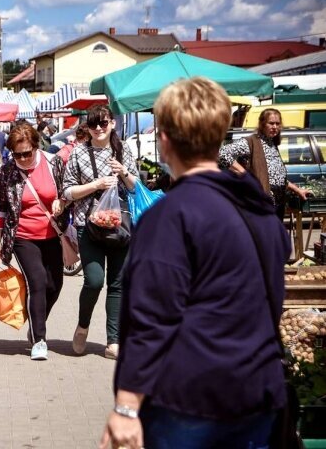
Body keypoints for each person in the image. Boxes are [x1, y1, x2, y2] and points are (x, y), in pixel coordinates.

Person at [100, 77, 289, 449]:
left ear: (165, 139)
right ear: (221, 134)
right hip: (260, 395)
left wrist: (126, 407)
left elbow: (150, 317)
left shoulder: (169, 217)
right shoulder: (261, 211)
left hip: (191, 403)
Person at [63, 105, 138, 360]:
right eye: (93, 124)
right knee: (94, 280)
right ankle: (83, 326)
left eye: (103, 123)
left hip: (120, 225)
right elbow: (67, 192)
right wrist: (95, 185)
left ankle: (113, 341)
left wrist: (124, 172)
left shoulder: (124, 149)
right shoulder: (78, 153)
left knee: (117, 284)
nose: (98, 128)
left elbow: (136, 186)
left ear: (112, 124)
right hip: (88, 225)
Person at [0, 122, 69, 361]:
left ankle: (36, 322)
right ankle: (39, 340)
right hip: (23, 236)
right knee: (36, 282)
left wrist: (62, 202)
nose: (23, 158)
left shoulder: (53, 163)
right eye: (17, 154)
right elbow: (1, 209)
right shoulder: (7, 171)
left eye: (27, 153)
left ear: (36, 146)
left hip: (53, 233)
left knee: (54, 286)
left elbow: (67, 191)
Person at [219, 107, 311, 221]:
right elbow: (222, 153)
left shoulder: (272, 144)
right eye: (271, 123)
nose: (275, 127)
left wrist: (298, 190)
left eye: (278, 124)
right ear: (262, 124)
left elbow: (275, 177)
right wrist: (244, 174)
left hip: (277, 204)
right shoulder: (251, 142)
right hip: (259, 203)